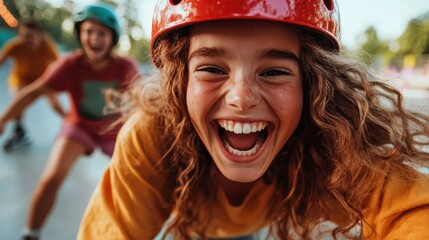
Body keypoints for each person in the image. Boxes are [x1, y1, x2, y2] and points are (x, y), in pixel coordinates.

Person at [78, 0, 429, 239]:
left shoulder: (332, 138)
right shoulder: (153, 133)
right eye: (212, 69)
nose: (241, 99)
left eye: (275, 72)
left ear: (312, 85)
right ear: (178, 82)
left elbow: (413, 211)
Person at [0, 3, 140, 240]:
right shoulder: (70, 65)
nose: (94, 38)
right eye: (89, 32)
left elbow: (144, 102)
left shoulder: (124, 66)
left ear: (113, 38)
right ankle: (30, 234)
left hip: (113, 130)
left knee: (133, 182)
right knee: (51, 178)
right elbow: (34, 92)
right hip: (80, 127)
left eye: (102, 33)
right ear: (79, 34)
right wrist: (3, 119)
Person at [0, 19, 64, 152]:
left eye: (31, 37)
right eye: (23, 36)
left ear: (40, 37)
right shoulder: (14, 46)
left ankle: (73, 125)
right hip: (21, 78)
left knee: (56, 104)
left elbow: (61, 66)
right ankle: (19, 130)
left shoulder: (47, 47)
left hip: (43, 79)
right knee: (19, 98)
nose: (26, 41)